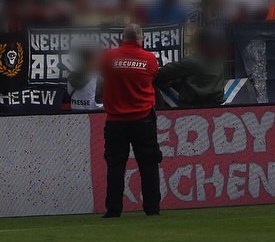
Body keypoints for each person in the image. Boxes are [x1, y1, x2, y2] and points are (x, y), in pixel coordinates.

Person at [99, 24, 162, 218]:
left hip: (115, 120)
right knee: (149, 165)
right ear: (140, 38)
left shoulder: (108, 57)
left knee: (115, 166)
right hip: (142, 118)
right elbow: (153, 77)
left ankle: (113, 209)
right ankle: (152, 209)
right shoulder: (149, 59)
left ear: (123, 37)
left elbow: (103, 75)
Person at [156, 28, 228, 108]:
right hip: (215, 105)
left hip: (193, 106)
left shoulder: (194, 62)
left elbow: (162, 74)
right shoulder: (218, 60)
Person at [64, 46, 103, 112]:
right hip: (93, 115)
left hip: (75, 114)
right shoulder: (97, 78)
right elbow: (102, 101)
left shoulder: (70, 76)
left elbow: (68, 94)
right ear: (92, 60)